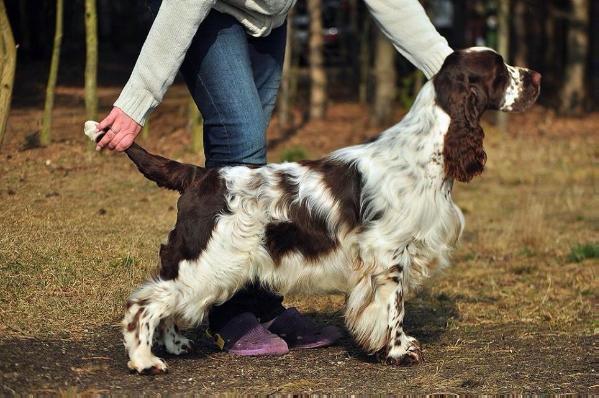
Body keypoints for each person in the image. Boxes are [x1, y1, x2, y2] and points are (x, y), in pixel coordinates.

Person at [96, 0, 452, 356]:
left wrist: (452, 70)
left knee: (252, 168)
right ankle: (231, 313)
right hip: (200, 9)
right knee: (242, 140)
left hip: (268, 18)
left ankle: (262, 305)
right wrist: (137, 100)